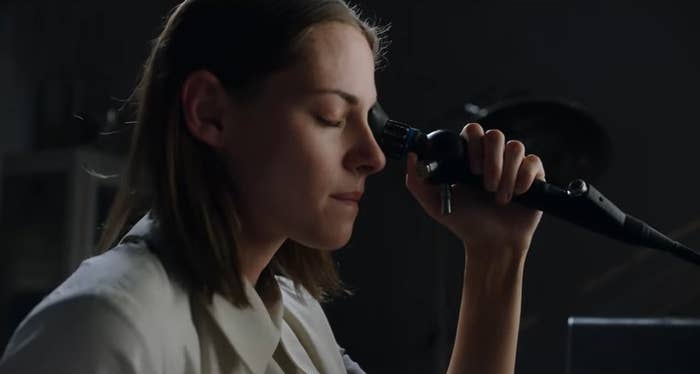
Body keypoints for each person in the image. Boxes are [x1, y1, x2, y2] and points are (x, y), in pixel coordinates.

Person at [0, 0, 545, 373]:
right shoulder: (102, 333)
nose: (373, 156)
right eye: (332, 117)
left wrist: (496, 256)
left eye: (370, 121)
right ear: (210, 112)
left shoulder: (296, 317)